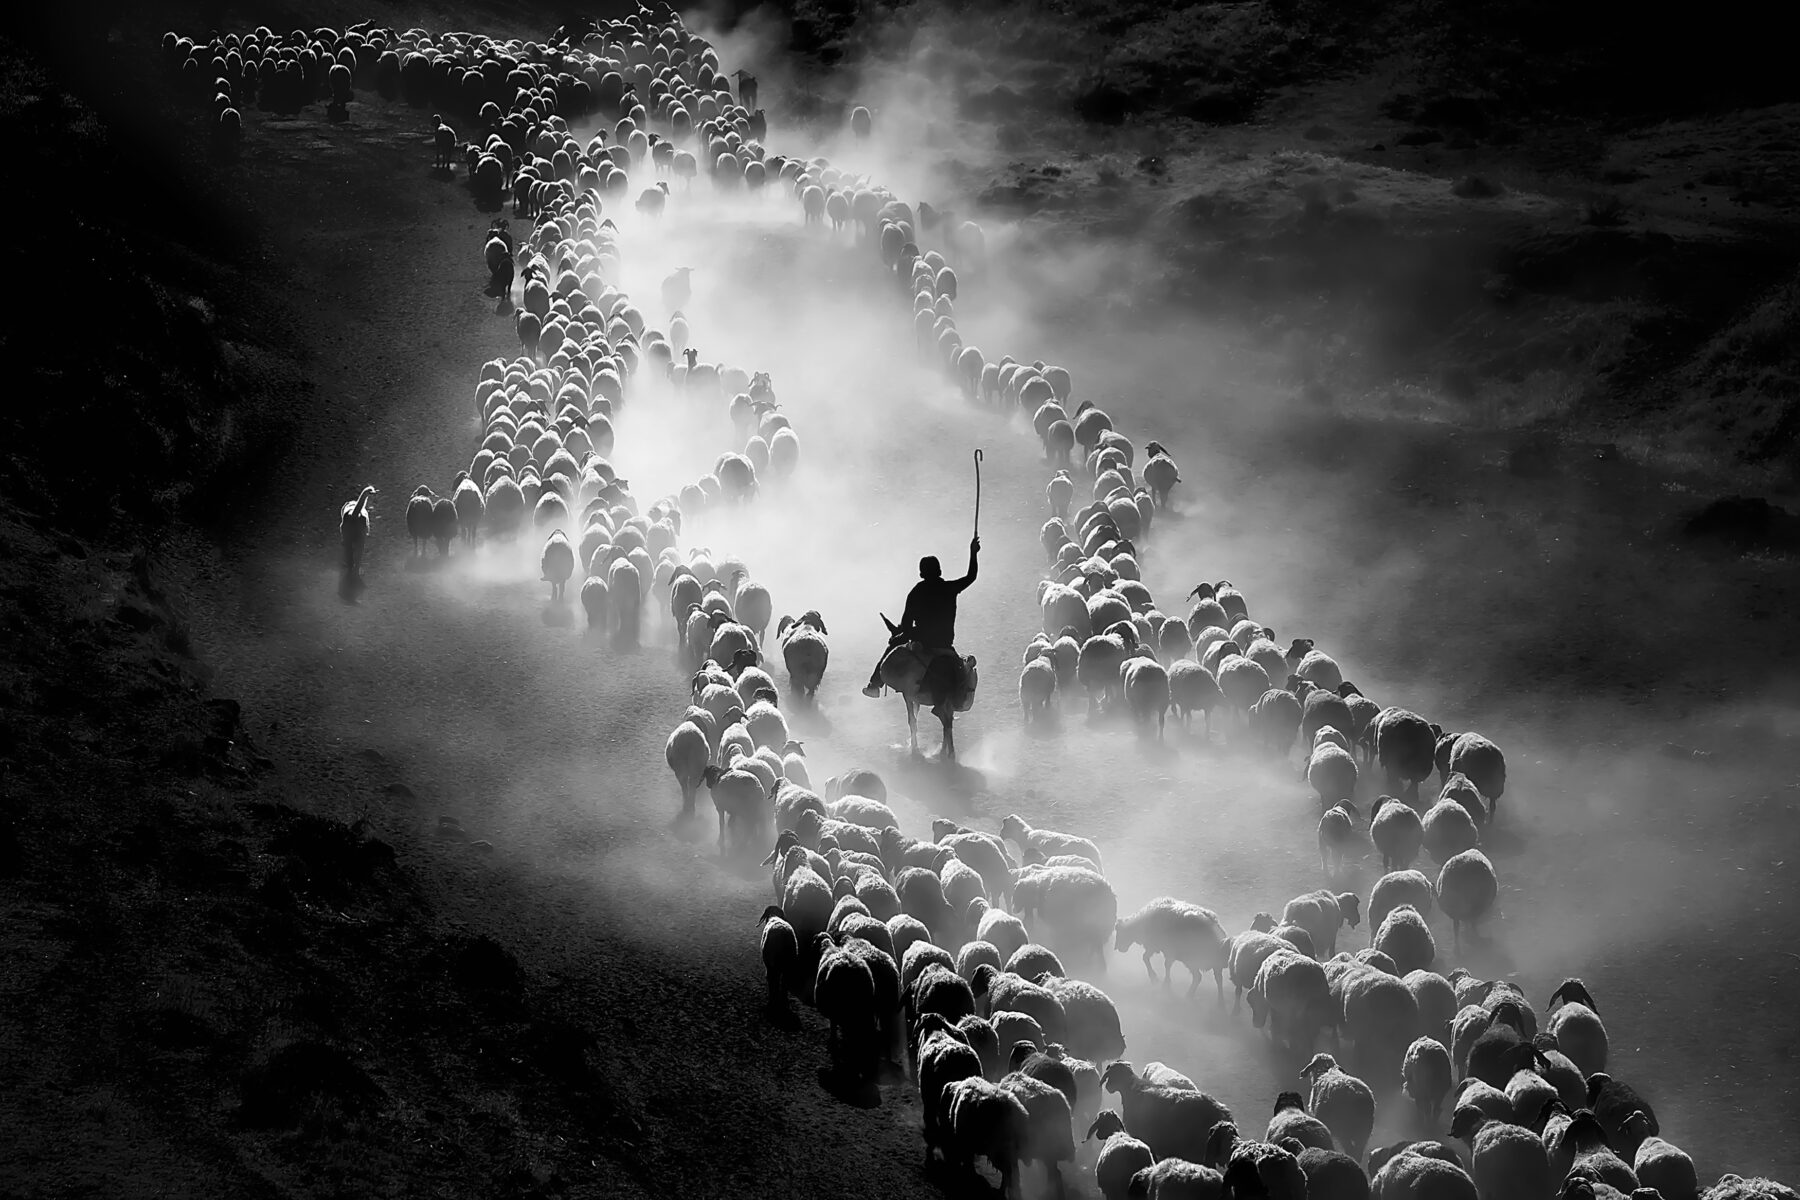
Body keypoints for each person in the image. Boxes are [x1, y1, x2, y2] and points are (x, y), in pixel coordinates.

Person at [864, 536, 980, 699]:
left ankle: (874, 685)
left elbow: (906, 623)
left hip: (923, 641)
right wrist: (973, 553)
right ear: (939, 571)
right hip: (945, 641)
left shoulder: (916, 592)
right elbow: (971, 577)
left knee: (893, 645)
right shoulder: (950, 588)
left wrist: (903, 635)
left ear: (921, 573)